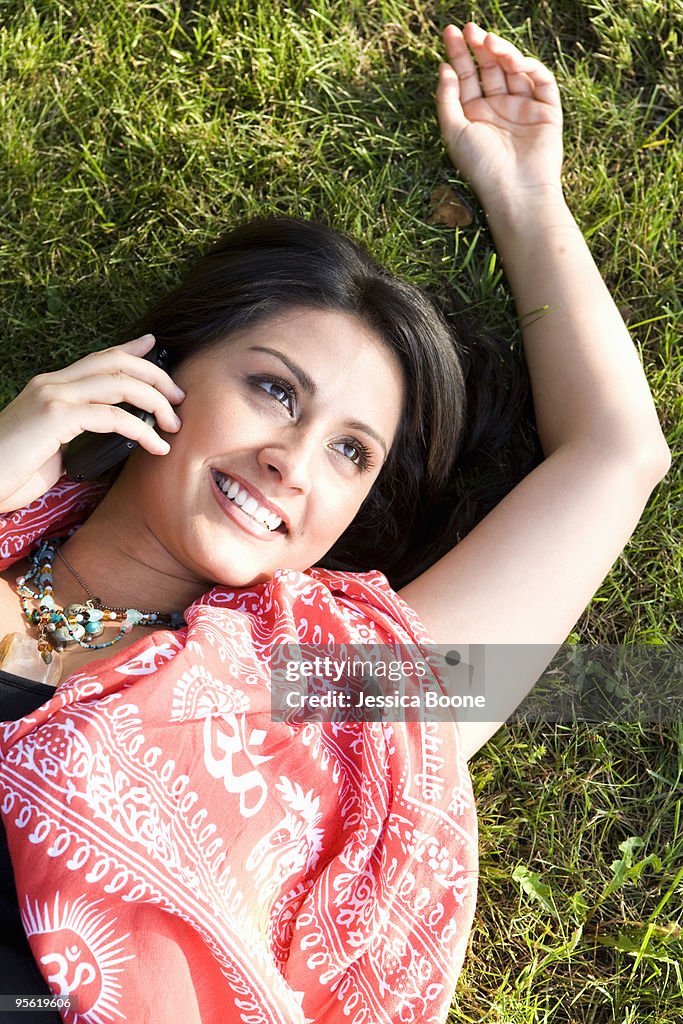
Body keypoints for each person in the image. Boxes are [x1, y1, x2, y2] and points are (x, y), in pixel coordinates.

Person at [0, 21, 671, 1024]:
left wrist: (526, 197)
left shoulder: (333, 688)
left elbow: (618, 456)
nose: (293, 459)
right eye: (273, 389)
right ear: (155, 374)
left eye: (350, 451)